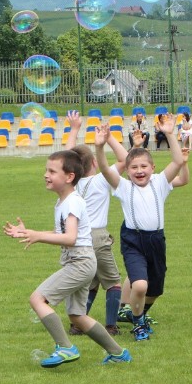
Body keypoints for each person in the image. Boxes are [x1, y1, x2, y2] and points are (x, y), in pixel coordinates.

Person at [3, 150, 131, 366]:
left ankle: (65, 347)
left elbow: (70, 238)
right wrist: (30, 232)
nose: (46, 175)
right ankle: (119, 353)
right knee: (77, 316)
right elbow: (62, 233)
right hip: (82, 262)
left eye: (52, 171)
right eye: (46, 170)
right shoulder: (65, 201)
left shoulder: (72, 202)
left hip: (80, 262)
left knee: (37, 299)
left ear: (69, 176)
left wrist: (38, 237)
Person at [94, 117, 187, 341]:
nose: (139, 171)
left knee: (154, 290)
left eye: (144, 166)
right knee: (140, 285)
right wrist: (100, 146)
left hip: (156, 240)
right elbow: (105, 169)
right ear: (127, 171)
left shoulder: (160, 182)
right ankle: (138, 325)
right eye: (134, 167)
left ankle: (138, 315)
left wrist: (170, 134)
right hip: (133, 241)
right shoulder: (123, 187)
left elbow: (177, 161)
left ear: (152, 168)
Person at [64, 110, 131, 336]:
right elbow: (125, 159)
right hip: (97, 236)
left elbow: (65, 157)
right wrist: (108, 138)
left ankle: (78, 324)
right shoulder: (102, 179)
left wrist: (74, 129)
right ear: (94, 162)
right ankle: (110, 326)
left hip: (78, 237)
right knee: (113, 283)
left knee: (91, 282)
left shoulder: (70, 183)